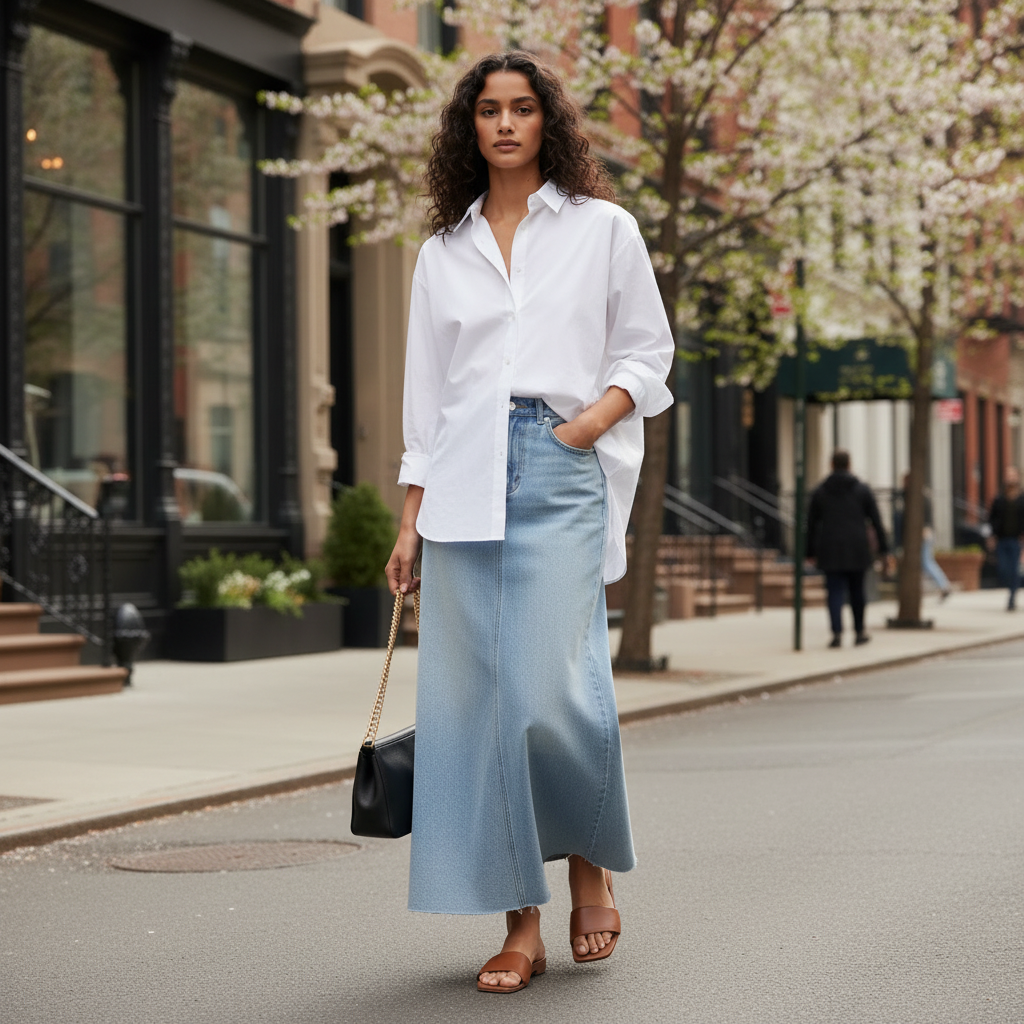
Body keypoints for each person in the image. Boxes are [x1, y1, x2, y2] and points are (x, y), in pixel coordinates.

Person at [385, 51, 673, 995]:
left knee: (556, 688)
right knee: (479, 708)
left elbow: (648, 350)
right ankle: (521, 923)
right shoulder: (442, 250)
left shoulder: (605, 229)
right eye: (487, 111)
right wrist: (409, 517)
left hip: (558, 464)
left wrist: (585, 424)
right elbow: (427, 397)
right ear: (469, 129)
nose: (505, 124)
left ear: (547, 120)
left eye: (521, 108)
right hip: (461, 479)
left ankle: (588, 861)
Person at [806, 450, 891, 647]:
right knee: (857, 591)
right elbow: (876, 521)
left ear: (832, 465)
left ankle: (836, 633)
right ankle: (859, 631)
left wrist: (809, 552)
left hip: (830, 548)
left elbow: (810, 524)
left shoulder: (821, 491)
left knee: (834, 592)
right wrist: (884, 549)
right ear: (849, 464)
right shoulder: (862, 490)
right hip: (856, 547)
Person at [896, 473, 951, 601]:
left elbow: (926, 516)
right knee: (922, 563)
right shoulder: (912, 495)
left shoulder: (919, 496)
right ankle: (930, 588)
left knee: (925, 562)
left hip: (923, 533)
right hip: (921, 533)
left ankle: (943, 585)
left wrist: (925, 529)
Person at [986, 466, 1024, 611]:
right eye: (1008, 475)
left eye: (1013, 475)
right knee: (1003, 569)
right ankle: (1011, 588)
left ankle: (1012, 597)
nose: (1010, 478)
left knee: (1014, 569)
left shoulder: (1021, 499)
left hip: (1016, 540)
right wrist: (991, 537)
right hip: (1001, 539)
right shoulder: (999, 499)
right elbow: (991, 519)